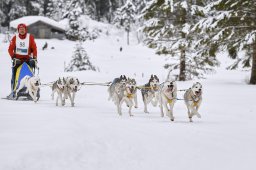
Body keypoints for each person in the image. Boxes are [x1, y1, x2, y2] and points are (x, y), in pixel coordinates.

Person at [8, 23, 37, 92]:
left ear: (25, 29)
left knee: (31, 74)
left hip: (27, 59)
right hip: (17, 59)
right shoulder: (15, 38)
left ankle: (33, 89)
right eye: (20, 29)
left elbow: (34, 49)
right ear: (18, 30)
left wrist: (34, 58)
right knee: (14, 74)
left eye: (23, 29)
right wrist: (13, 57)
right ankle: (13, 89)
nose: (22, 30)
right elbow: (10, 49)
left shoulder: (30, 37)